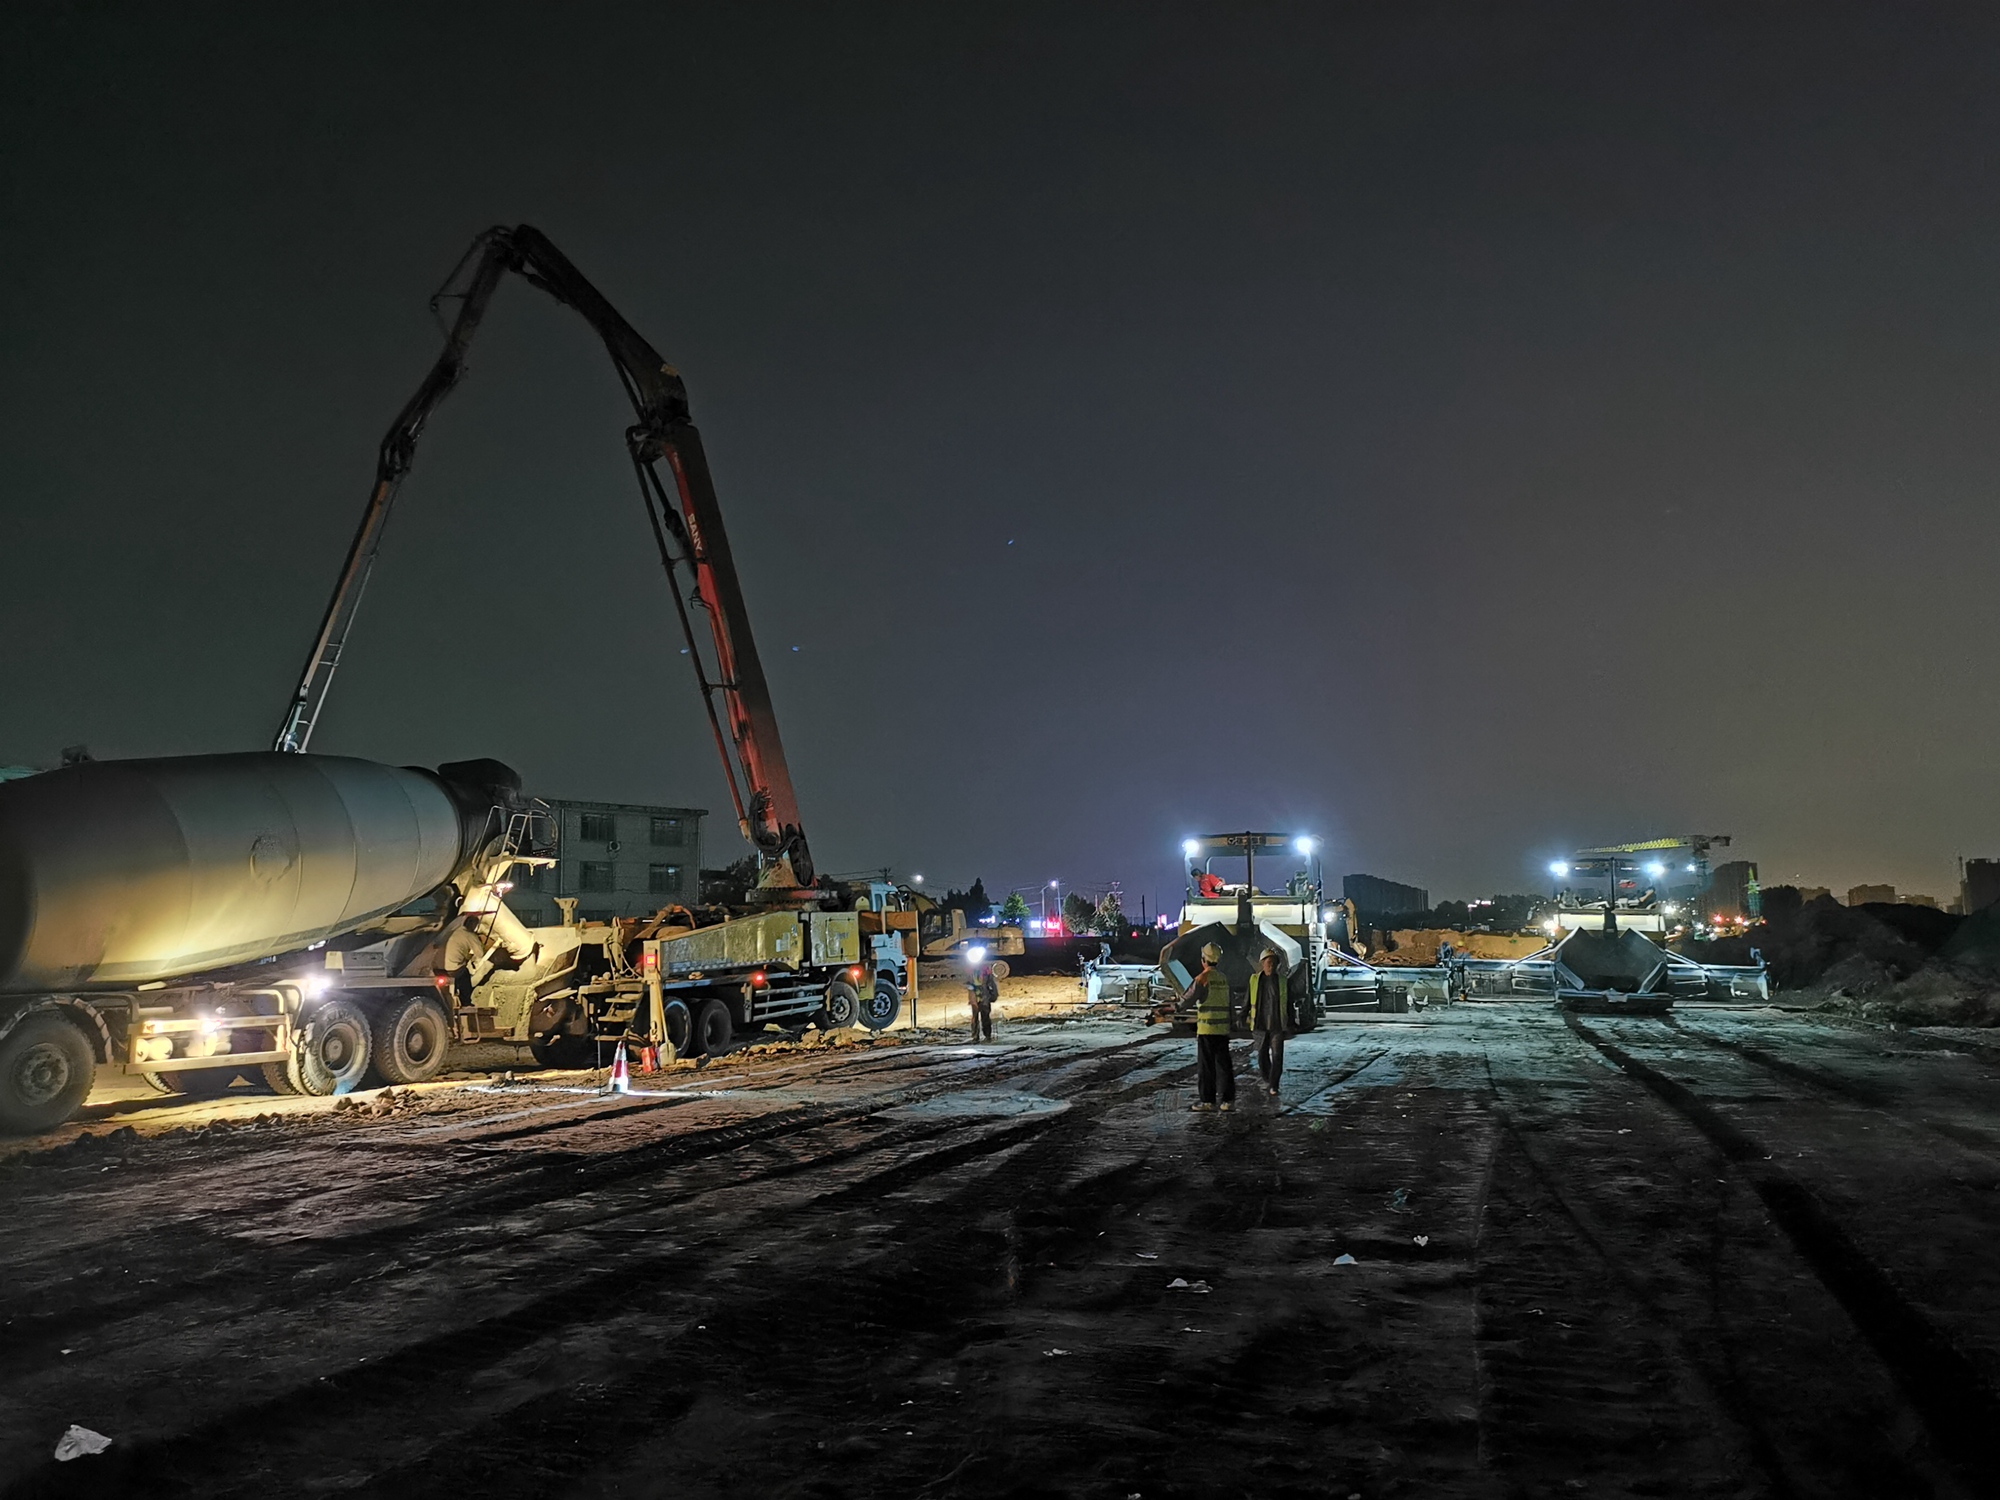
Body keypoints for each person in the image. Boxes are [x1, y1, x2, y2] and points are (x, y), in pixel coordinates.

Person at [1188, 941, 1236, 1112]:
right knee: (1224, 1066)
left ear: (1204, 959)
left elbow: (1187, 1000)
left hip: (1207, 1030)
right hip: (1222, 1029)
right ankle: (1227, 1101)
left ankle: (1208, 1101)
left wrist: (1172, 1007)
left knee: (1207, 1067)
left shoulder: (1202, 979)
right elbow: (1231, 1004)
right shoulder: (1223, 978)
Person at [1246, 946, 1290, 1097]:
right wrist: (1241, 1015)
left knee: (1277, 1056)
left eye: (1273, 962)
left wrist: (1291, 1022)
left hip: (1277, 1026)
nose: (1270, 965)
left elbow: (1288, 1002)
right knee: (1262, 1056)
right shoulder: (1254, 980)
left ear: (1277, 964)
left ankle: (1274, 1085)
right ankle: (1268, 1078)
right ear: (1262, 964)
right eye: (1268, 962)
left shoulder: (1283, 981)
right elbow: (1248, 1000)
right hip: (1260, 1025)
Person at [965, 958, 998, 1041]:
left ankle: (987, 1035)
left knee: (985, 1016)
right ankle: (975, 1036)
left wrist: (994, 994)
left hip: (984, 996)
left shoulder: (985, 970)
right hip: (974, 996)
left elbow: (991, 982)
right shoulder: (971, 970)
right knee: (975, 1017)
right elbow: (968, 983)